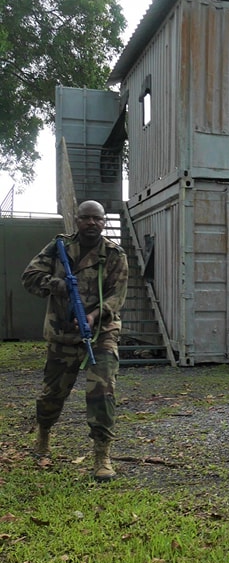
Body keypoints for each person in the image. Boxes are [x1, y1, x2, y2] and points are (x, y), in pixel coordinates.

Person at [21, 200, 129, 481]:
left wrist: (94, 315)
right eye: (86, 218)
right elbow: (29, 277)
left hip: (101, 332)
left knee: (102, 392)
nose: (91, 223)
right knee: (52, 394)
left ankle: (101, 455)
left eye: (97, 219)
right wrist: (55, 284)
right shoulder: (58, 248)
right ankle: (43, 435)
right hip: (62, 334)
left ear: (104, 222)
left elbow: (117, 296)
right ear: (76, 220)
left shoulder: (114, 254)